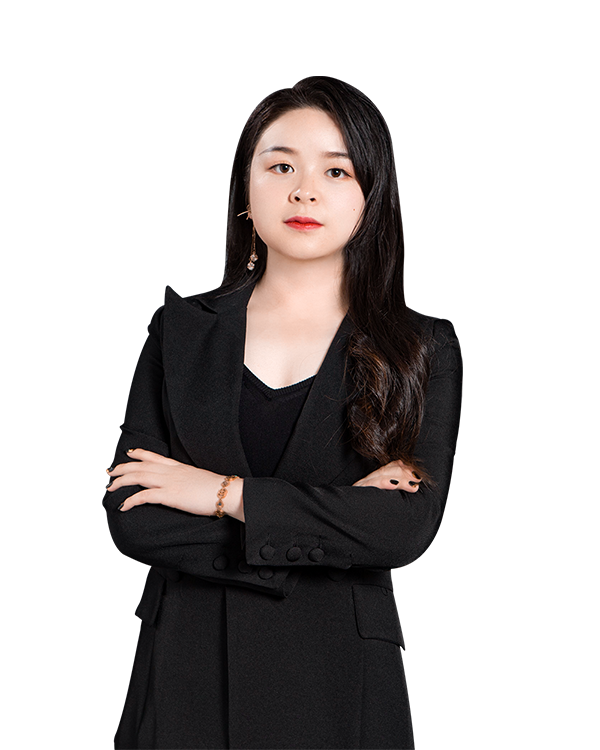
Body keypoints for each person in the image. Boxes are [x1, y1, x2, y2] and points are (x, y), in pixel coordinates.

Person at [103, 77, 462, 750]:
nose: (305, 191)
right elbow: (136, 516)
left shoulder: (420, 351)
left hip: (338, 683)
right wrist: (332, 523)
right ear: (246, 191)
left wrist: (221, 494)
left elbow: (399, 529)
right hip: (183, 676)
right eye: (281, 166)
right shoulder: (179, 332)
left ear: (371, 197)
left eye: (336, 170)